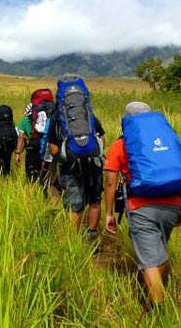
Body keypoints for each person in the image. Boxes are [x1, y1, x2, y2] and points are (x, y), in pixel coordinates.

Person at [104, 101, 181, 306]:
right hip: (172, 204)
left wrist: (109, 213)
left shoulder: (121, 145)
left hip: (141, 207)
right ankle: (154, 294)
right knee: (158, 254)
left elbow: (110, 181)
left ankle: (158, 308)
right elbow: (179, 171)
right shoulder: (168, 139)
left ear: (125, 120)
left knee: (150, 260)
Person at [48, 75, 105, 240]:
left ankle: (73, 240)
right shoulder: (90, 117)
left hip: (69, 167)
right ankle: (92, 235)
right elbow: (101, 139)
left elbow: (53, 150)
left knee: (75, 203)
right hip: (93, 163)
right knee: (94, 200)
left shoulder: (57, 119)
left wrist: (64, 157)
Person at [0, 105, 18, 176]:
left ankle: (0, 175)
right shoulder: (11, 123)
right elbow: (15, 134)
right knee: (7, 161)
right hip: (9, 144)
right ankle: (6, 175)